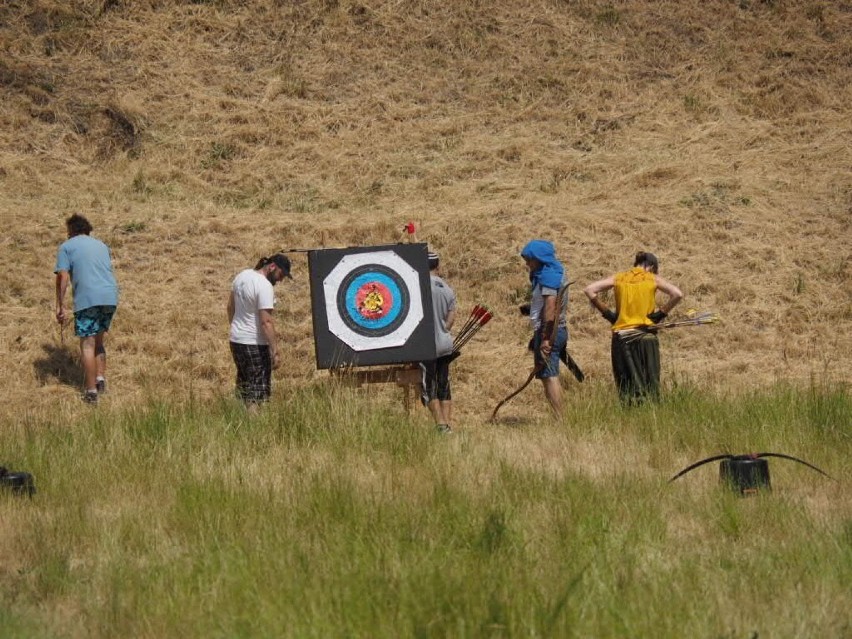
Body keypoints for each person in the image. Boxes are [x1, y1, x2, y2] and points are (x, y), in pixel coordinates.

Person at [583, 251, 683, 404]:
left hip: (622, 338)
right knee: (651, 383)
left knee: (626, 384)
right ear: (650, 267)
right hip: (646, 336)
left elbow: (589, 289)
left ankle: (631, 412)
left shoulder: (619, 278)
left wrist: (608, 314)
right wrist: (660, 314)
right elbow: (677, 294)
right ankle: (651, 413)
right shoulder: (652, 278)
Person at [54, 213, 119, 404]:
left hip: (87, 298)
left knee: (87, 345)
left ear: (71, 231)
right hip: (110, 297)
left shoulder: (66, 247)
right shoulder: (101, 245)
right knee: (99, 341)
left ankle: (91, 393)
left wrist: (60, 305)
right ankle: (100, 380)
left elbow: (62, 277)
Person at [227, 253, 292, 406]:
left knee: (244, 388)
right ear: (272, 267)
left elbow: (230, 307)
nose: (281, 279)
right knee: (256, 394)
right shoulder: (264, 286)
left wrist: (237, 328)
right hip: (254, 344)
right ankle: (254, 427)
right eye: (281, 274)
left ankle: (241, 426)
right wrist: (274, 351)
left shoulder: (242, 276)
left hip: (237, 341)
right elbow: (266, 322)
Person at [520, 239, 569, 415]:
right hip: (549, 330)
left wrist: (546, 338)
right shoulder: (551, 272)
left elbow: (550, 308)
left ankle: (560, 419)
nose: (527, 263)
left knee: (550, 376)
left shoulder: (549, 276)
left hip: (551, 332)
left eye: (529, 259)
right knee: (547, 375)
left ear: (539, 258)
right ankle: (559, 417)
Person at [419, 251, 456, 433]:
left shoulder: (419, 288)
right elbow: (450, 321)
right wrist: (442, 330)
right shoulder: (447, 289)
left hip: (426, 344)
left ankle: (441, 426)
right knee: (444, 383)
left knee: (428, 386)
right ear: (438, 267)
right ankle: (447, 425)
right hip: (445, 344)